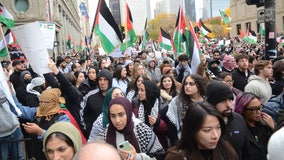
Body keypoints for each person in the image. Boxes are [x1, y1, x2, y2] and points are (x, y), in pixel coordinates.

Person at [96, 97, 164, 160]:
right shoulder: (105, 133)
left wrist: (137, 157)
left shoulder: (142, 130)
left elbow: (159, 156)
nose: (117, 120)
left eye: (121, 114)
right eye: (113, 116)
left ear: (128, 112)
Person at [165, 101, 238, 160]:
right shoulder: (177, 157)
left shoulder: (227, 151)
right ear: (193, 130)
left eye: (218, 127)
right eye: (207, 130)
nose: (215, 136)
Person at [13, 88, 70, 160]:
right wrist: (11, 92)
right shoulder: (38, 112)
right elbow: (18, 109)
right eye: (41, 102)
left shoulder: (62, 117)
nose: (42, 105)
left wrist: (40, 132)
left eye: (46, 102)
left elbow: (62, 139)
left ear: (54, 102)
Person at [206, 80, 250, 160]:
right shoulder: (203, 124)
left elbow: (246, 151)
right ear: (212, 103)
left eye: (230, 100)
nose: (229, 105)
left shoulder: (238, 119)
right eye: (223, 101)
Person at [166, 74, 205, 146]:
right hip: (183, 140)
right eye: (185, 84)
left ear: (199, 86)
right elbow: (172, 124)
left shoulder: (206, 101)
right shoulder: (177, 101)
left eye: (191, 84)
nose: (187, 86)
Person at [234, 92, 275, 160]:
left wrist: (274, 128)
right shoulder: (238, 129)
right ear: (243, 110)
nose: (258, 112)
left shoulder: (266, 123)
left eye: (259, 107)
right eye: (254, 109)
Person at [82, 69, 112, 138]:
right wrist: (89, 129)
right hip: (95, 135)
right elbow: (84, 115)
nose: (102, 82)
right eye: (100, 80)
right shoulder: (91, 96)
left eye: (105, 80)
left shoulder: (116, 95)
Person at [0, 87, 25, 160]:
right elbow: (2, 97)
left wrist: (15, 120)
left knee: (19, 157)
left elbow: (12, 102)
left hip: (15, 130)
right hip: (2, 136)